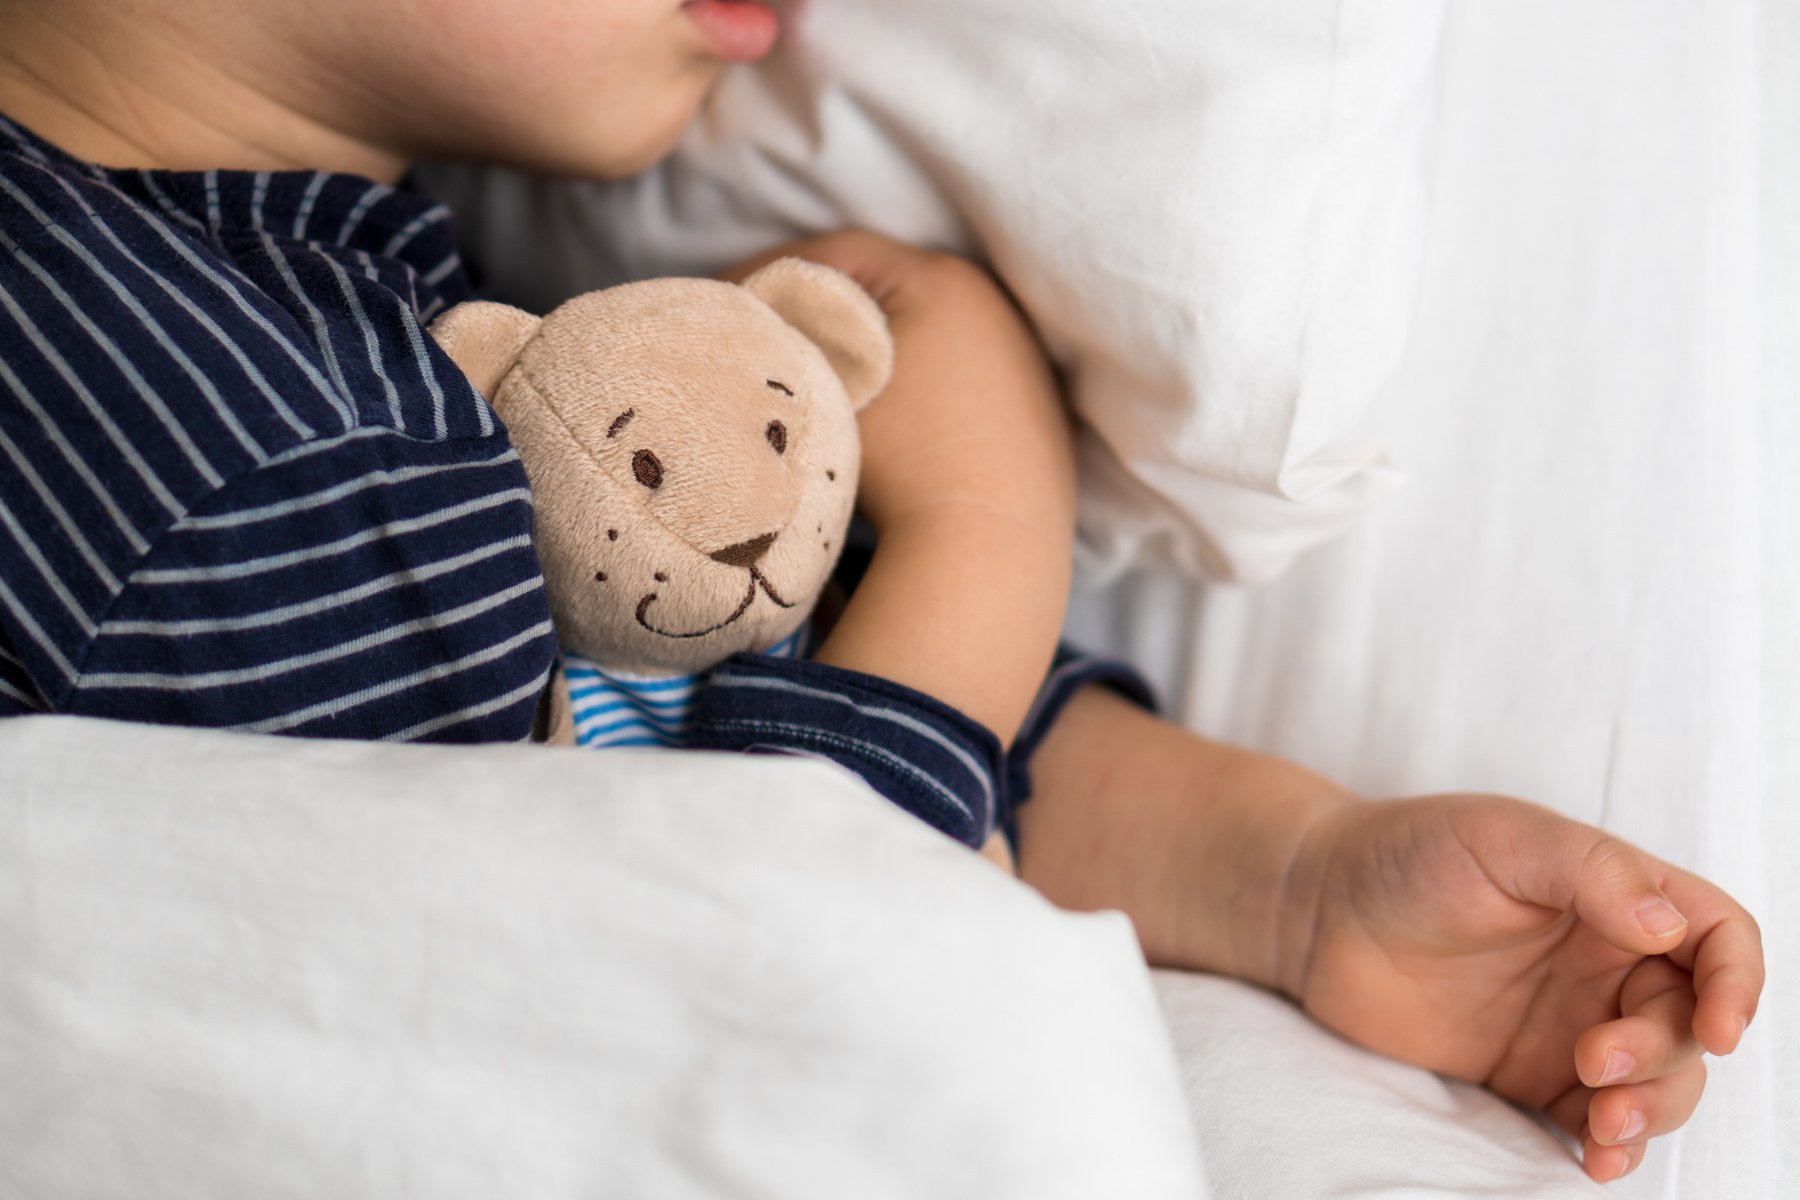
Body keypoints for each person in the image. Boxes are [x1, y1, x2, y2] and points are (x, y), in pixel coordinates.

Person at [0, 0, 1762, 1186]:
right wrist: (989, 513)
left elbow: (714, 710)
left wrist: (1291, 883)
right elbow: (753, 949)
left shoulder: (301, 330)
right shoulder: (275, 463)